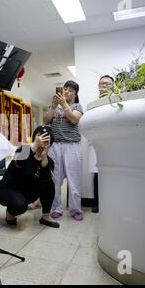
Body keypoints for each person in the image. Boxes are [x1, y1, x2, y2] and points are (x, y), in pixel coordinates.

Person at [0, 125, 59, 228]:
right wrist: (34, 147)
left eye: (46, 139)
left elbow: (47, 179)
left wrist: (43, 158)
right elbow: (19, 164)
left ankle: (46, 216)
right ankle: (10, 213)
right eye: (40, 136)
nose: (42, 141)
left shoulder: (49, 161)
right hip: (8, 190)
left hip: (27, 192)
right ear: (34, 137)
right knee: (20, 206)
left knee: (49, 182)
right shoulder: (24, 149)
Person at [44, 81, 84, 221]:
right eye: (65, 88)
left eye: (71, 90)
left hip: (72, 146)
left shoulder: (77, 106)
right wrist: (54, 107)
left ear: (75, 94)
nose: (67, 91)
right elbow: (46, 120)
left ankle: (76, 209)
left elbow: (74, 119)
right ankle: (56, 208)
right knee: (55, 180)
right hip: (55, 147)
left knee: (74, 180)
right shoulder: (54, 106)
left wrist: (64, 104)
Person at [89, 75, 115, 212]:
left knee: (113, 174)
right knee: (97, 175)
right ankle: (97, 204)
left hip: (113, 143)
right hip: (97, 143)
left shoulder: (117, 101)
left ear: (113, 86)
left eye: (107, 84)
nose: (103, 86)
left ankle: (112, 204)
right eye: (101, 84)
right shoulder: (93, 104)